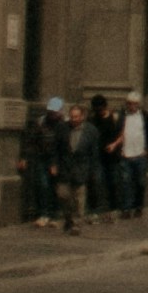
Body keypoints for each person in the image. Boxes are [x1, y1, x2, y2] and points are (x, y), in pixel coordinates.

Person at [58, 95, 102, 237]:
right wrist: (54, 164)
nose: (73, 119)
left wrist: (93, 171)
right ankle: (68, 219)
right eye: (71, 117)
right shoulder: (63, 128)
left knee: (79, 198)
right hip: (65, 168)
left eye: (76, 117)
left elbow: (94, 153)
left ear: (82, 117)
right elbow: (56, 148)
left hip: (82, 168)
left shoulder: (91, 131)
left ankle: (77, 224)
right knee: (63, 195)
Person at [114, 95, 148, 220]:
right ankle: (126, 208)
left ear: (138, 104)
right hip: (126, 154)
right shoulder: (122, 116)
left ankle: (138, 206)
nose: (131, 106)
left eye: (134, 104)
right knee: (126, 182)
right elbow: (118, 132)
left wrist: (146, 149)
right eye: (129, 103)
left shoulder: (144, 116)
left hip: (140, 154)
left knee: (140, 182)